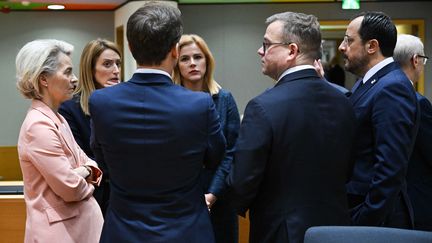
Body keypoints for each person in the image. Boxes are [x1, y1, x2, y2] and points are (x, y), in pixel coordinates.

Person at [89, 2, 226, 242]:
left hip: (123, 231)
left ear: (130, 48)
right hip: (187, 231)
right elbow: (215, 157)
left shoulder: (101, 102)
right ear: (175, 50)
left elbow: (103, 161)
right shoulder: (200, 105)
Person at [226, 11, 356, 243]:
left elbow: (242, 181)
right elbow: (348, 170)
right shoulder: (345, 101)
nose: (260, 51)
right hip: (337, 229)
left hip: (282, 232)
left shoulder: (263, 106)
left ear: (292, 51)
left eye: (266, 44)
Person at [15, 39, 103, 242]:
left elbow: (90, 163)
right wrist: (86, 172)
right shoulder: (38, 126)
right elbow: (70, 188)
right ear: (44, 79)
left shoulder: (58, 118)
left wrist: (86, 170)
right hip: (61, 233)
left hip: (77, 229)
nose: (74, 79)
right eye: (67, 72)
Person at [339, 12, 419, 228]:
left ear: (372, 46)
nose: (342, 47)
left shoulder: (392, 87)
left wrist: (365, 219)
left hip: (377, 220)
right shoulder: (368, 82)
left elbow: (389, 167)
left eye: (349, 40)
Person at [173, 34, 240, 243]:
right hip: (179, 197)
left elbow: (232, 152)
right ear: (176, 64)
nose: (192, 63)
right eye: (185, 59)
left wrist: (212, 194)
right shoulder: (170, 101)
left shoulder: (224, 99)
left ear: (207, 61)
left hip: (219, 195)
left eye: (197, 57)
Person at [59, 39, 121, 216]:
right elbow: (80, 160)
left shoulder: (125, 103)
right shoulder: (70, 107)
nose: (116, 71)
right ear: (90, 69)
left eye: (118, 64)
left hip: (126, 192)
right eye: (107, 64)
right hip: (93, 194)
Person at [393, 34, 431, 231]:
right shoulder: (419, 103)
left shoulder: (385, 94)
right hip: (418, 198)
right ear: (415, 60)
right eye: (423, 60)